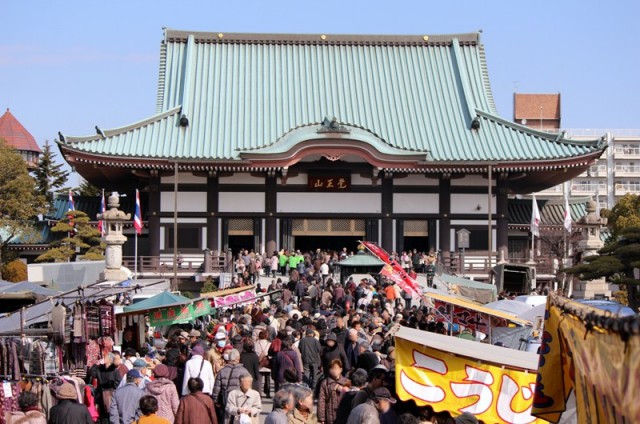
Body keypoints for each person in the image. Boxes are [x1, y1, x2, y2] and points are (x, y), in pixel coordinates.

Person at [212, 349, 250, 423]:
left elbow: (216, 388)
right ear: (238, 359)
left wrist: (216, 401)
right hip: (239, 401)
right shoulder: (244, 371)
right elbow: (248, 389)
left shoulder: (222, 371)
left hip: (225, 400)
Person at [317, 359, 349, 424]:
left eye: (336, 368)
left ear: (341, 369)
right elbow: (321, 400)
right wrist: (321, 418)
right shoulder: (325, 383)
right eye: (332, 368)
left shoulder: (347, 382)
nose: (334, 371)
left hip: (343, 415)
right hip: (329, 415)